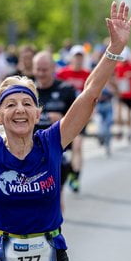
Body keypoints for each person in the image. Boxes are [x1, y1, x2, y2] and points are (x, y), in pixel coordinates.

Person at [0, 1, 131, 261]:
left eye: (27, 104)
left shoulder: (51, 142)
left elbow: (90, 94)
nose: (19, 110)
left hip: (49, 260)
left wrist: (114, 49)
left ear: (37, 113)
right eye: (10, 104)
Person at [32, 50, 77, 211]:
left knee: (55, 195)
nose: (41, 73)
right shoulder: (27, 91)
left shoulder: (66, 90)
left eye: (45, 69)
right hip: (31, 150)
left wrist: (62, 120)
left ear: (53, 68)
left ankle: (53, 231)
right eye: (38, 69)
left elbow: (78, 118)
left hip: (58, 150)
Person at [55, 45, 91, 193]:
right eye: (76, 56)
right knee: (63, 150)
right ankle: (66, 171)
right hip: (63, 116)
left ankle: (75, 177)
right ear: (71, 58)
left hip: (80, 116)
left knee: (77, 146)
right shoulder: (62, 73)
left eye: (80, 56)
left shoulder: (87, 74)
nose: (78, 59)